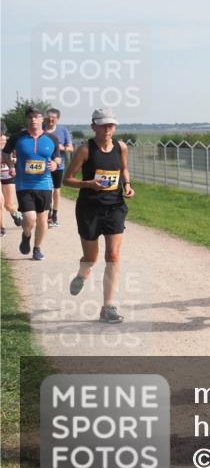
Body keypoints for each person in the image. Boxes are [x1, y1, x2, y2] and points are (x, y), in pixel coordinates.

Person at [64, 108, 136, 323]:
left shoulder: (121, 147)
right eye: (103, 125)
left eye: (111, 125)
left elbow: (124, 170)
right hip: (89, 208)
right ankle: (82, 273)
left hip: (114, 206)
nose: (107, 129)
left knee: (113, 256)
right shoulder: (85, 150)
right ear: (93, 126)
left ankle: (108, 307)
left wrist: (128, 185)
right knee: (91, 258)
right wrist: (88, 184)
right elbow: (67, 179)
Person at [2, 108, 60, 260]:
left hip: (45, 184)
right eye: (30, 117)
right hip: (24, 184)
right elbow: (5, 153)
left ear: (42, 119)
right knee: (30, 218)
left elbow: (57, 157)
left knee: (42, 219)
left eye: (36, 117)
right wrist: (12, 166)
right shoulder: (17, 137)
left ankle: (37, 248)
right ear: (26, 120)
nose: (33, 120)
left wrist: (54, 163)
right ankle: (26, 235)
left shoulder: (52, 139)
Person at [44, 107, 74, 227]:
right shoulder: (41, 130)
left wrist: (62, 148)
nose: (51, 120)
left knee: (56, 190)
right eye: (49, 117)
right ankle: (47, 212)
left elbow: (71, 148)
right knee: (45, 190)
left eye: (54, 118)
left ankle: (54, 214)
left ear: (58, 119)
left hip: (58, 165)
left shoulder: (63, 130)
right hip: (43, 165)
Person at [1, 125, 24, 236]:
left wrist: (14, 160)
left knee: (8, 205)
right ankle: (2, 228)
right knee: (0, 202)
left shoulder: (10, 142)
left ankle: (15, 214)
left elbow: (19, 155)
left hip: (7, 175)